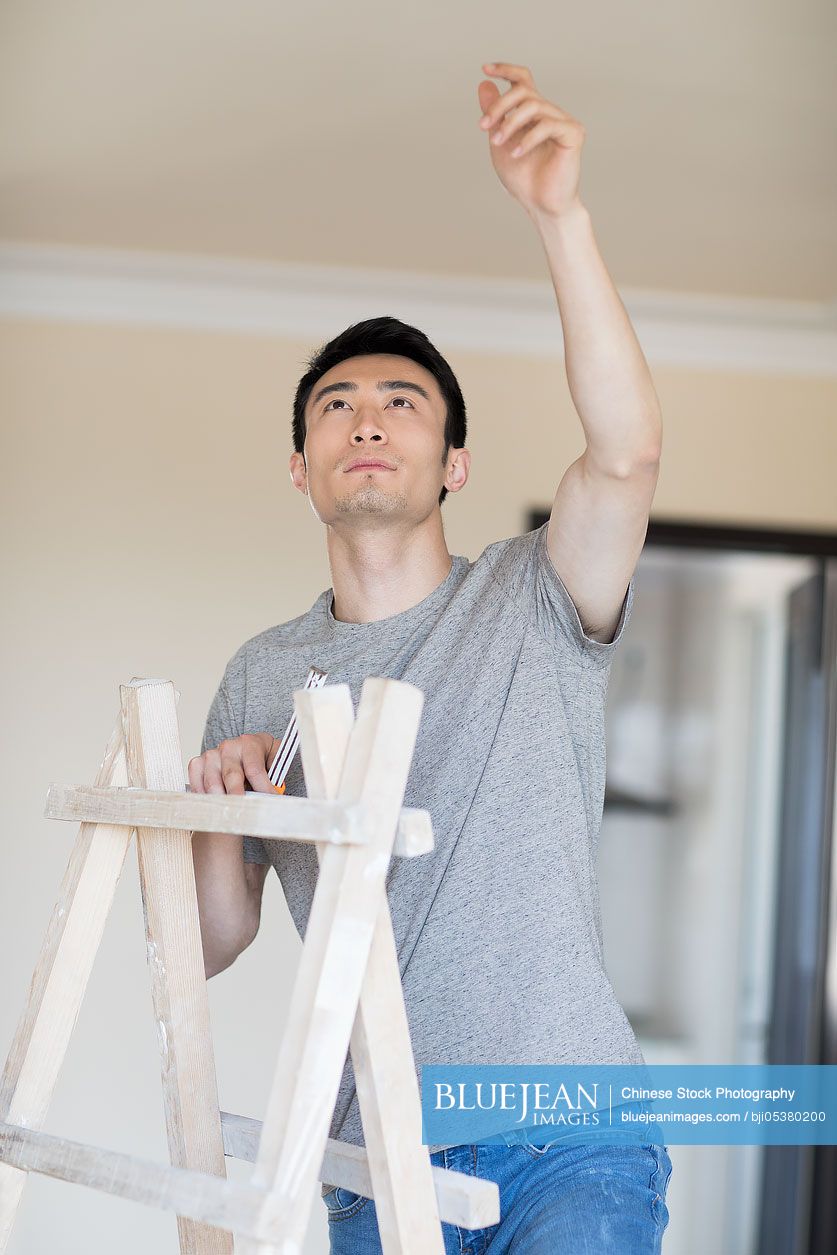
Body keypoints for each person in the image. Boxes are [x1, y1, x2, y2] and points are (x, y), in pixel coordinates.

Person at [189, 60, 671, 1254]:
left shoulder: (531, 592)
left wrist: (560, 216)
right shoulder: (264, 669)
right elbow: (208, 942)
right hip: (376, 1149)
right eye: (337, 403)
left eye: (404, 402)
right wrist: (219, 803)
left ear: (452, 464)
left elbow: (625, 455)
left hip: (571, 1129)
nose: (367, 416)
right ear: (300, 467)